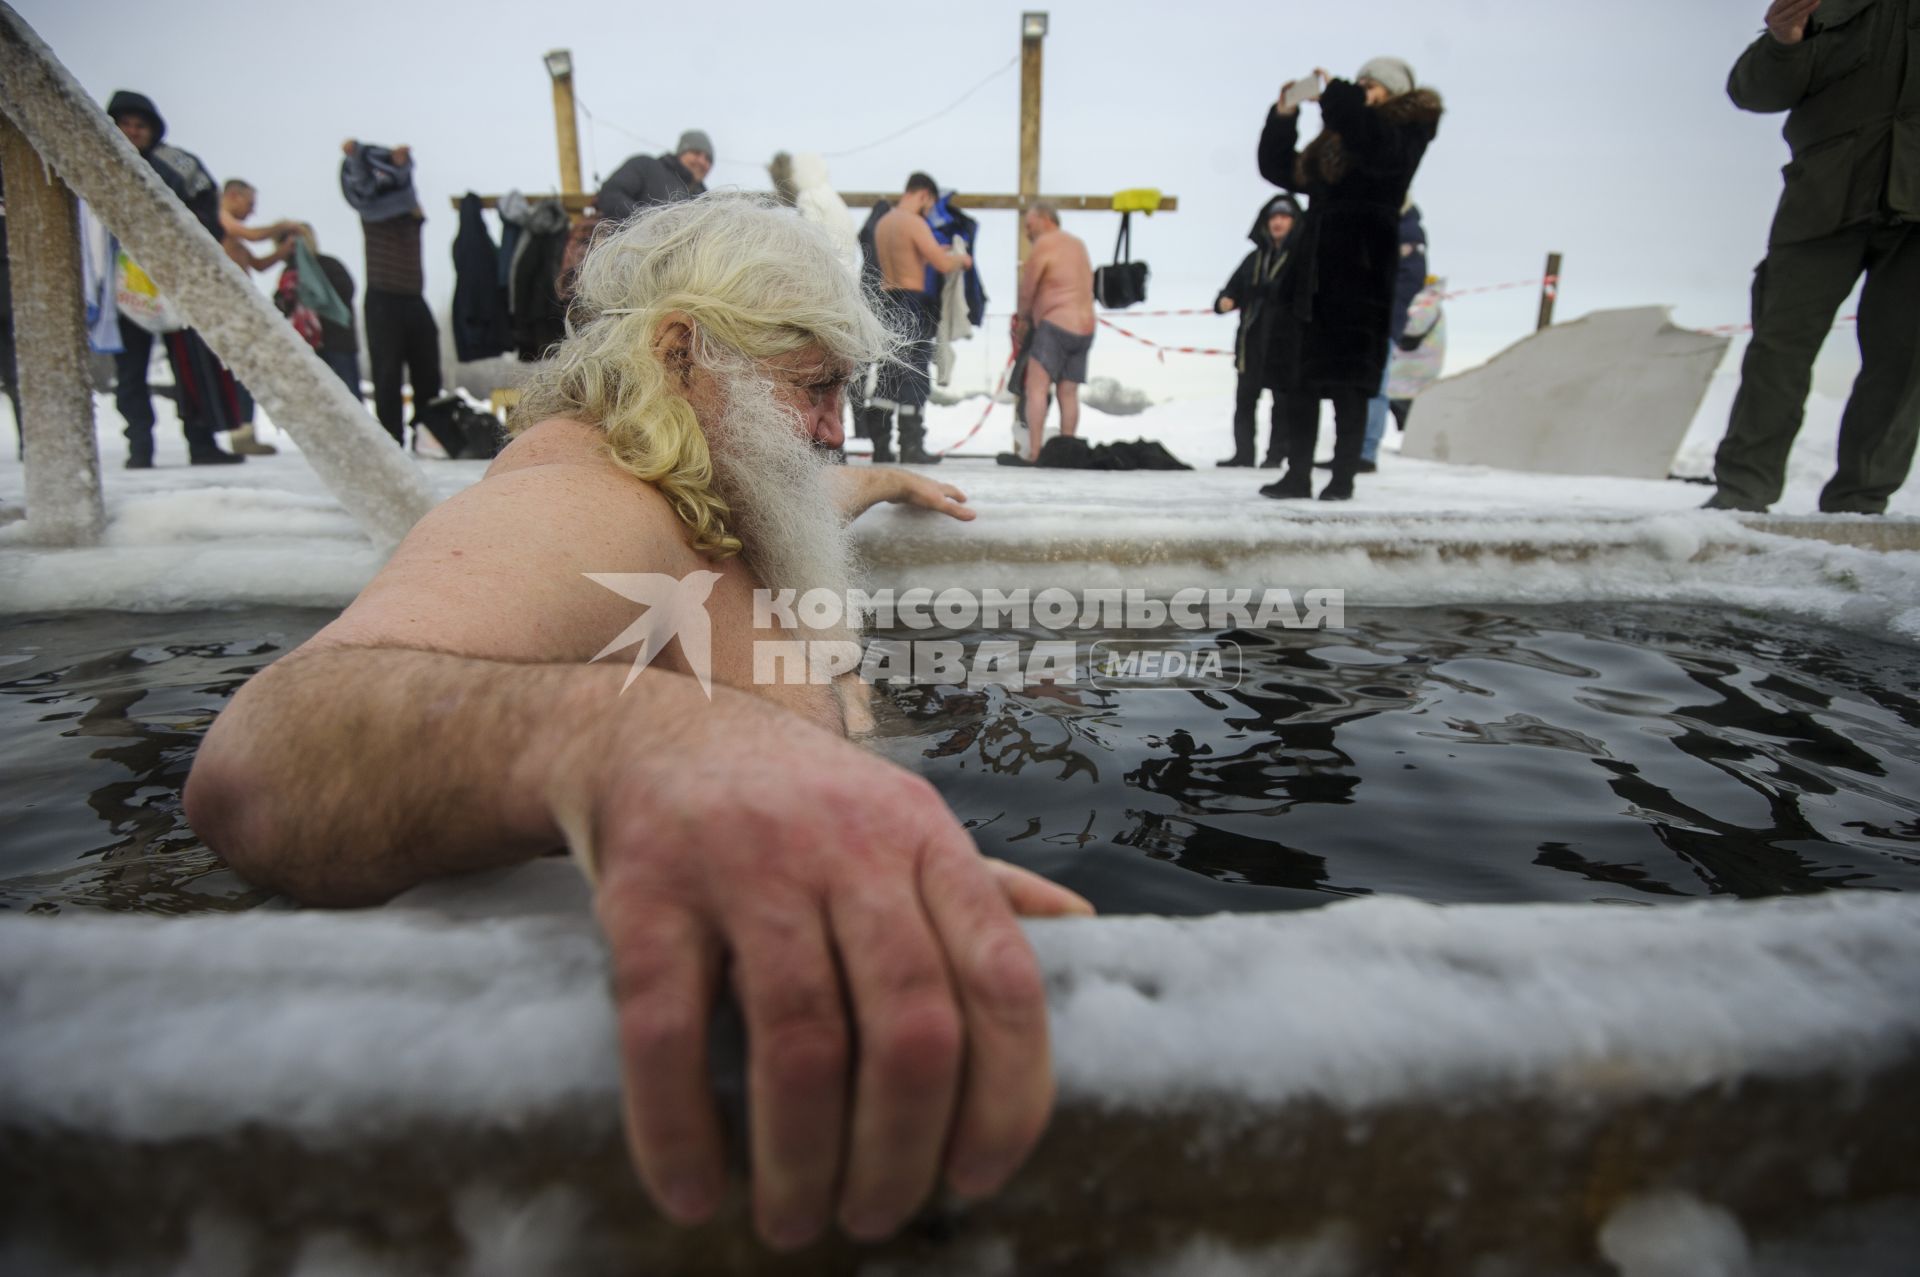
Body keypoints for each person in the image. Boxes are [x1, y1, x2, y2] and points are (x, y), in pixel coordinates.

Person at [183, 194, 1089, 1253]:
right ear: (679, 351)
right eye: (815, 386)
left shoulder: (712, 481)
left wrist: (883, 482)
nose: (835, 426)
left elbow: (804, 493)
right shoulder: (593, 497)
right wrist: (627, 737)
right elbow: (261, 750)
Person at [1704, 0, 1919, 516]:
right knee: (1779, 350)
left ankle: (1860, 507)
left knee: (1903, 362)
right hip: (1821, 202)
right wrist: (1783, 41)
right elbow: (1751, 92)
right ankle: (1741, 496)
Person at [1253, 58, 1442, 502]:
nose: (1363, 91)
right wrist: (1284, 115)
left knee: (1349, 382)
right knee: (1299, 378)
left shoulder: (1407, 129)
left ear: (1393, 93)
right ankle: (1296, 474)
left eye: (1371, 85)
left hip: (1361, 269)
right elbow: (1281, 169)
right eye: (1360, 84)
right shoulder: (1339, 137)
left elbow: (1374, 145)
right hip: (1314, 268)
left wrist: (1338, 95)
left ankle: (1343, 477)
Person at [104, 90, 244, 467]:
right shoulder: (98, 164)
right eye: (125, 125)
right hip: (123, 286)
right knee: (130, 372)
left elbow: (206, 207)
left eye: (140, 125)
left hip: (177, 281)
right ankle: (139, 448)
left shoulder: (175, 164)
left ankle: (202, 444)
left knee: (195, 367)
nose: (133, 132)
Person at [341, 139, 441, 446]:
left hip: (413, 297)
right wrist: (357, 157)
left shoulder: (411, 209)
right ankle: (390, 439)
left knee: (428, 369)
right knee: (387, 374)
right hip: (383, 297)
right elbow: (363, 185)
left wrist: (400, 166)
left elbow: (406, 186)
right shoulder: (372, 214)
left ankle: (427, 432)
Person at [872, 173, 971, 464]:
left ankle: (880, 447)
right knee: (914, 374)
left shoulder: (885, 222)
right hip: (912, 303)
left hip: (887, 300)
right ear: (925, 194)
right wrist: (962, 260)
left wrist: (933, 251)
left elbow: (910, 254)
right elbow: (941, 264)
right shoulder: (914, 222)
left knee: (888, 373)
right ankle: (911, 447)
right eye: (931, 203)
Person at [1215, 194, 1298, 468]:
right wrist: (1225, 301)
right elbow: (1231, 289)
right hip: (1251, 340)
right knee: (1245, 399)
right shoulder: (1254, 259)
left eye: (1284, 217)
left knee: (1282, 403)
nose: (1278, 223)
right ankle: (1243, 454)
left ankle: (1275, 455)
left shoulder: (1299, 258)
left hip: (1284, 341)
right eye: (1273, 217)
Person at [219, 179, 300, 455]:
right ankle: (239, 433)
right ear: (233, 196)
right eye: (249, 204)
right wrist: (283, 225)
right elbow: (253, 235)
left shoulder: (235, 239)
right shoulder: (219, 220)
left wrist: (283, 251)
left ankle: (245, 431)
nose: (252, 212)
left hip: (242, 309)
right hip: (226, 309)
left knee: (248, 374)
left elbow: (258, 265)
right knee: (236, 373)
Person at [1012, 203, 1096, 464]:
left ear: (1046, 219)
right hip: (1086, 327)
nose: (1027, 232)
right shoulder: (1078, 245)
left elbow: (1028, 288)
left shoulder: (1045, 244)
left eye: (1030, 224)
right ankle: (1067, 449)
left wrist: (1023, 317)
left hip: (1056, 323)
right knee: (1068, 391)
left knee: (1036, 387)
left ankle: (1036, 452)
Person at [1349, 197, 1427, 474]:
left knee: (1375, 387)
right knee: (1354, 388)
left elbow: (1412, 277)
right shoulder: (1378, 223)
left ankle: (1366, 452)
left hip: (1382, 321)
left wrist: (1384, 308)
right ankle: (1349, 451)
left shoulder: (1408, 229)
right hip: (1361, 318)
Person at [596, 130, 713, 223]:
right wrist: (646, 223)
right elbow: (612, 193)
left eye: (708, 159)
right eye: (696, 153)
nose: (702, 162)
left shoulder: (707, 199)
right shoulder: (647, 166)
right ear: (682, 152)